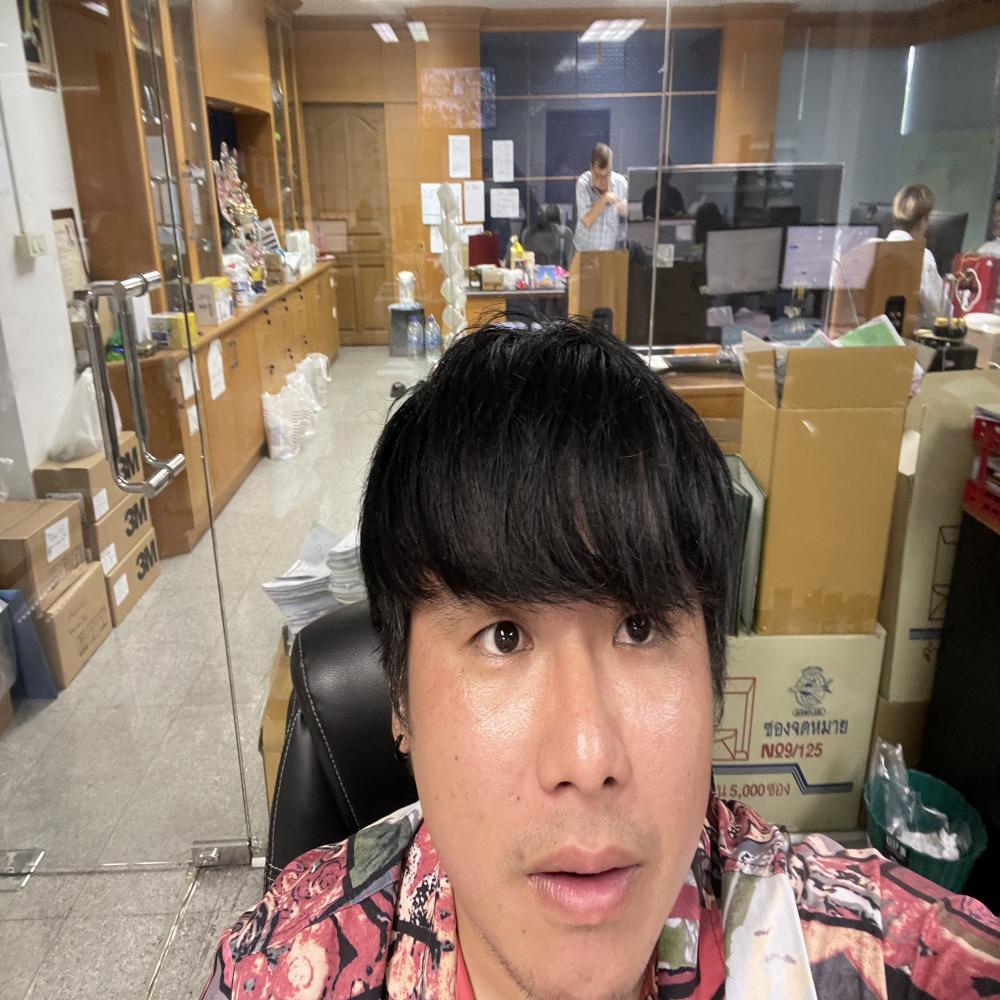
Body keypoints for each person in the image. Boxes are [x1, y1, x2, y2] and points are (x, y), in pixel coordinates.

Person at [201, 321, 999, 1000]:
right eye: (503, 636)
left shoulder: (894, 962)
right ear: (399, 701)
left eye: (641, 628)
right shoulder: (276, 972)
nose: (588, 760)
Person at [887, 183, 947, 321]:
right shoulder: (922, 257)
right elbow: (939, 313)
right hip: (908, 333)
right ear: (924, 220)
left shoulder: (873, 248)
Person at [573, 142, 627, 252]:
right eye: (597, 175)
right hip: (584, 252)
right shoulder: (583, 183)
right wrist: (604, 199)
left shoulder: (621, 184)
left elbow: (630, 223)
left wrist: (627, 211)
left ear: (611, 169)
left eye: (606, 175)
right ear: (591, 168)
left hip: (609, 253)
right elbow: (587, 221)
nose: (602, 181)